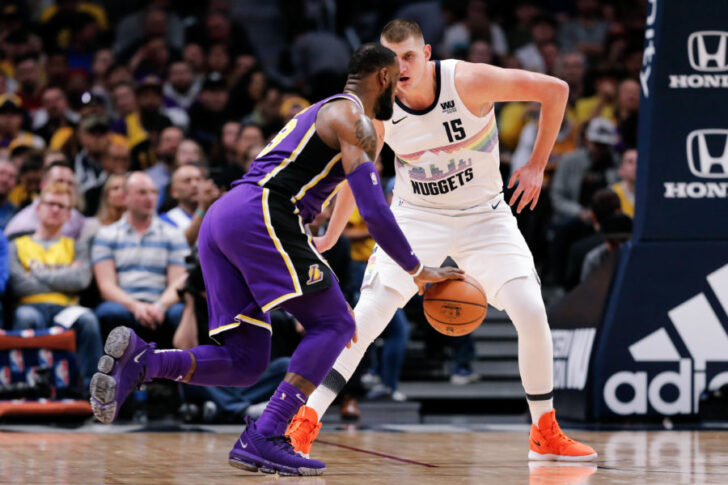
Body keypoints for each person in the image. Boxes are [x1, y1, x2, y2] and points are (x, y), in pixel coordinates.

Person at [89, 43, 462, 476]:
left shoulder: (326, 111)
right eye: (396, 81)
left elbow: (335, 187)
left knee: (247, 361)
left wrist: (328, 232)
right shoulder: (355, 119)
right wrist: (418, 269)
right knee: (337, 323)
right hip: (261, 213)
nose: (398, 93)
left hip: (224, 218)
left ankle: (145, 361)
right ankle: (267, 433)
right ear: (381, 76)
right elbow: (375, 209)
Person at [286, 19, 597, 462]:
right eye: (392, 61)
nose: (402, 68)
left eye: (409, 57)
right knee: (366, 318)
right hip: (417, 219)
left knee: (530, 309)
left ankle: (544, 431)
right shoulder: (379, 107)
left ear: (427, 53)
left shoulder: (469, 80)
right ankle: (303, 422)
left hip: (484, 216)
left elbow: (556, 89)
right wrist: (333, 231)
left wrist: (536, 164)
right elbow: (360, 175)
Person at [9, 182, 102, 391]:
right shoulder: (17, 244)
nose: (55, 209)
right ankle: (25, 389)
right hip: (30, 305)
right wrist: (63, 278)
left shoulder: (76, 246)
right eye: (50, 204)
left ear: (69, 215)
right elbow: (19, 285)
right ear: (38, 208)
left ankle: (93, 393)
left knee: (88, 320)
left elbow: (80, 281)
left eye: (62, 206)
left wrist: (37, 273)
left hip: (67, 309)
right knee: (26, 318)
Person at [91, 172, 188, 346]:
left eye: (154, 192)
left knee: (181, 312)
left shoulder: (173, 234)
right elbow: (106, 286)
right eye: (142, 192)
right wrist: (135, 306)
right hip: (124, 303)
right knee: (110, 313)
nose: (150, 198)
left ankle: (179, 371)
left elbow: (178, 282)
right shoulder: (106, 234)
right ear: (124, 197)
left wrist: (159, 306)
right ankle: (114, 371)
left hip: (161, 302)